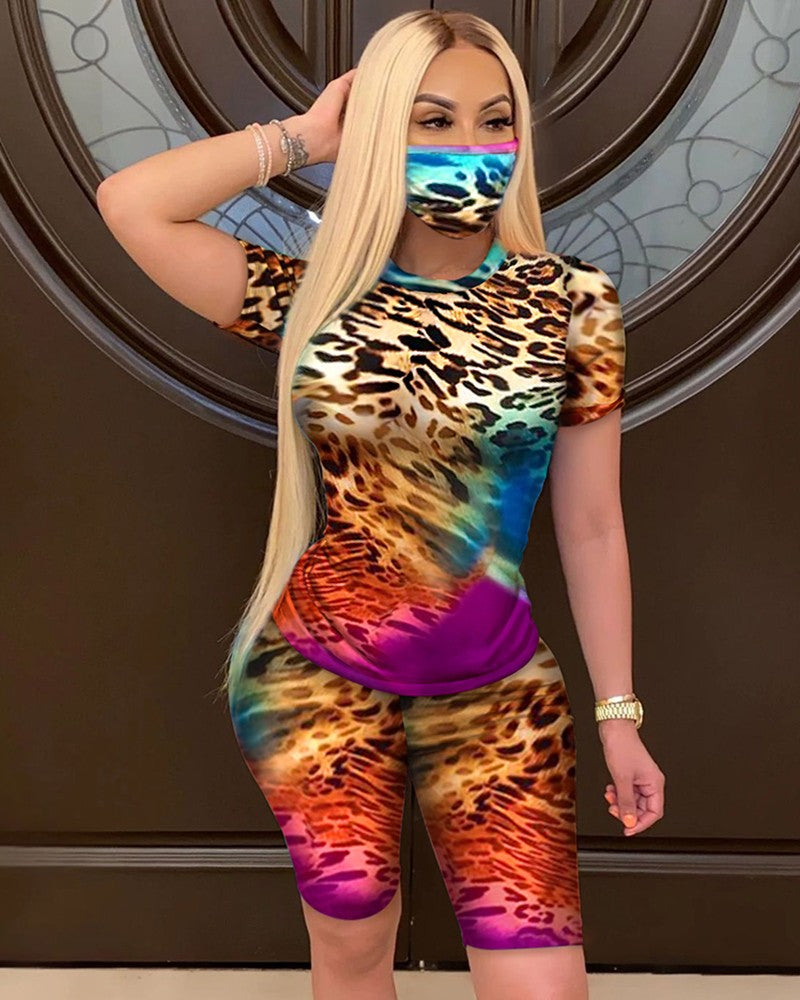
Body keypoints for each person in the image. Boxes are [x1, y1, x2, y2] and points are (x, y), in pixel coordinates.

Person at [97, 9, 665, 999]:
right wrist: (305, 137)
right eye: (430, 119)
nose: (469, 147)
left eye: (494, 120)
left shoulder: (572, 301)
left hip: (498, 690)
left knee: (543, 987)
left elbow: (592, 523)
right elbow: (130, 203)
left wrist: (619, 714)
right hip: (314, 682)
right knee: (354, 947)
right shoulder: (316, 297)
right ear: (381, 134)